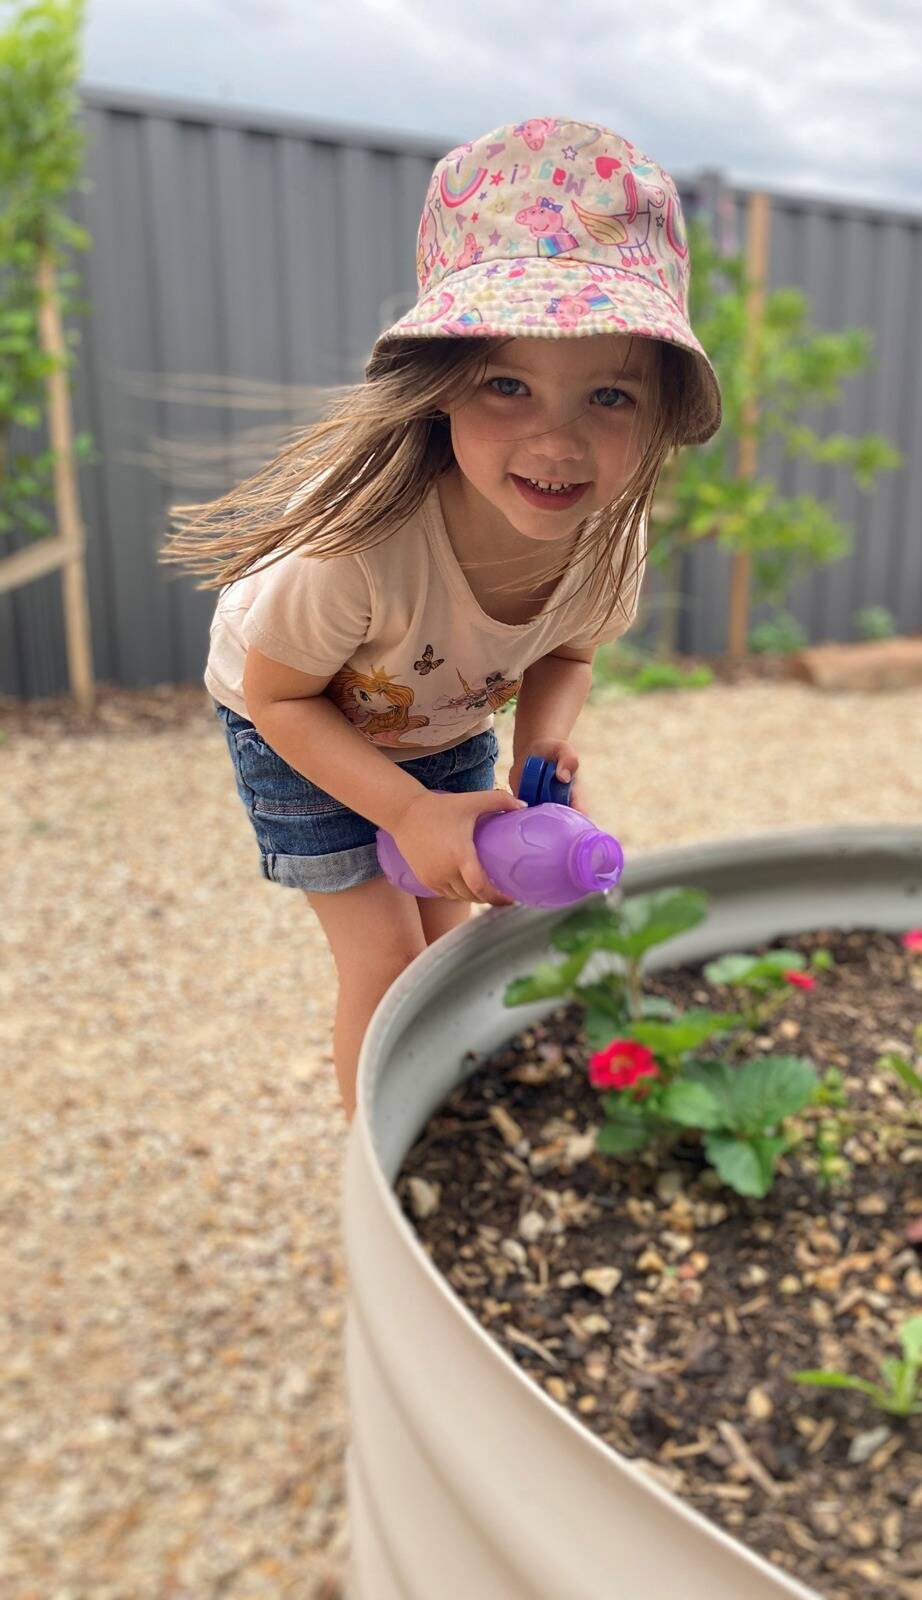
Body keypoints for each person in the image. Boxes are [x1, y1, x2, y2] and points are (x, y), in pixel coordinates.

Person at [161, 116, 722, 1120]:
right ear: (439, 392)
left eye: (608, 395)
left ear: (661, 411)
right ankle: (381, 1163)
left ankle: (447, 1108)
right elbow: (277, 695)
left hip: (443, 716)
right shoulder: (360, 545)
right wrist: (410, 811)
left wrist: (545, 736)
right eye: (507, 384)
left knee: (456, 933)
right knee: (385, 955)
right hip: (299, 718)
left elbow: (569, 650)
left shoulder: (605, 542)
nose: (557, 439)